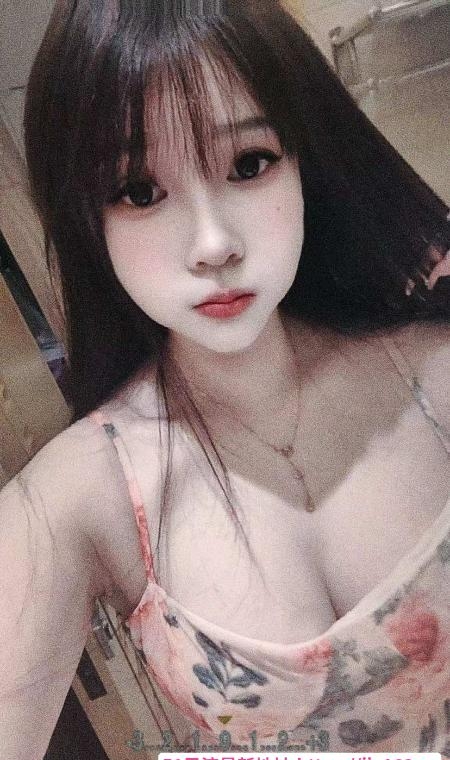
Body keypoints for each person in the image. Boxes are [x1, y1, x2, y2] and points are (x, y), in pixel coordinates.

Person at [1, 1, 449, 757]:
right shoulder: (79, 496)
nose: (212, 244)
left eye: (249, 164)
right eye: (139, 191)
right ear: (88, 219)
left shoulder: (434, 371)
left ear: (305, 161)